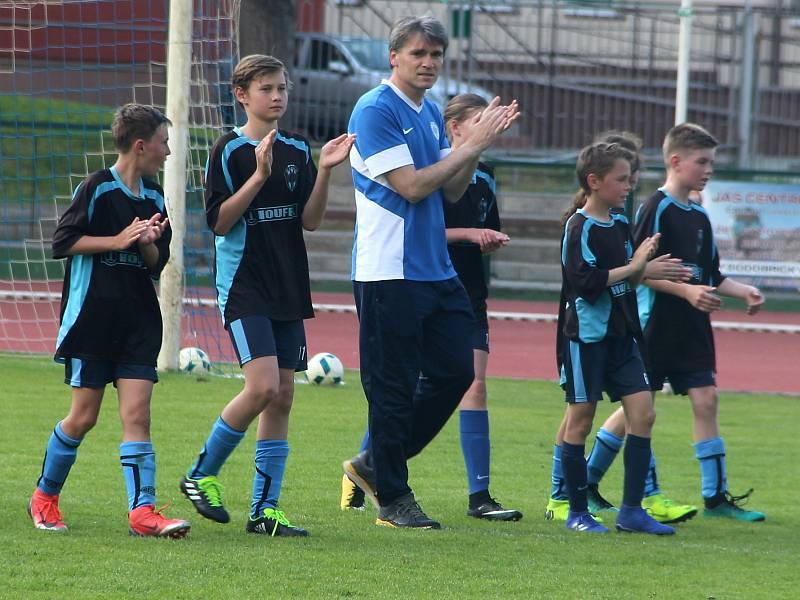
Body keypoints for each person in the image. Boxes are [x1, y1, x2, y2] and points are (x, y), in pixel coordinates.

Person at [340, 16, 519, 529]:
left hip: (435, 272)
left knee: (456, 371)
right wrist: (468, 147)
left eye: (437, 55)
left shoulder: (430, 111)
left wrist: (475, 146)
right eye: (418, 53)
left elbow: (453, 190)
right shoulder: (375, 109)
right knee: (392, 387)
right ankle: (393, 496)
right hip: (388, 271)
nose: (429, 62)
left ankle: (375, 465)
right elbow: (413, 187)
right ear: (393, 56)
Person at [179, 54, 355, 537]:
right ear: (242, 95)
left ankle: (265, 510)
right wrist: (258, 176)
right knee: (260, 388)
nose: (277, 96)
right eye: (266, 89)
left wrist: (324, 172)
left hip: (286, 285)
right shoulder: (229, 150)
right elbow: (219, 222)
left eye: (282, 88)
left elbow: (311, 221)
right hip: (245, 286)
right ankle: (200, 474)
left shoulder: (299, 148)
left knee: (282, 398)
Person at [590, 123, 766, 522]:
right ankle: (598, 480)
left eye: (711, 162)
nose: (708, 170)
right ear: (676, 161)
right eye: (701, 161)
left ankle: (716, 498)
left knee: (707, 400)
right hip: (656, 322)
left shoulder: (700, 215)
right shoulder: (657, 207)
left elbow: (710, 275)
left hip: (692, 325)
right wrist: (686, 292)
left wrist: (744, 291)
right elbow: (637, 270)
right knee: (639, 407)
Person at [29, 103, 190, 538]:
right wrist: (118, 239)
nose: (168, 151)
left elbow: (157, 264)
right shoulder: (98, 188)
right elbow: (63, 242)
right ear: (141, 145)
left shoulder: (155, 196)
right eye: (163, 142)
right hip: (93, 321)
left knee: (138, 415)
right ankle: (44, 496)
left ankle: (143, 512)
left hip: (138, 321)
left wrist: (147, 245)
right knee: (83, 417)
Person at [546, 131, 699, 525]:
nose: (628, 186)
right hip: (586, 337)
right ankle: (575, 511)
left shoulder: (618, 223)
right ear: (594, 181)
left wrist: (643, 269)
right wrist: (637, 267)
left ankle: (632, 511)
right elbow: (586, 282)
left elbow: (627, 280)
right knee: (580, 420)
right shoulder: (578, 227)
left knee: (643, 413)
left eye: (630, 180)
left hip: (623, 335)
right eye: (621, 179)